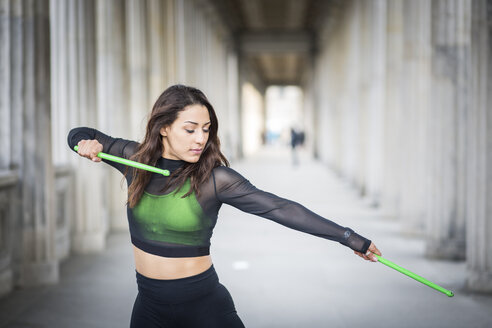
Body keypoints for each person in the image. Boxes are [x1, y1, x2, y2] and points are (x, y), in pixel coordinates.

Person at [67, 85, 381, 328]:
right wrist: (85, 144)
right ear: (164, 127)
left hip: (204, 307)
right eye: (190, 129)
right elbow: (80, 134)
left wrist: (349, 237)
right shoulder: (133, 160)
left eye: (206, 129)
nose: (200, 138)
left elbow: (280, 208)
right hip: (149, 307)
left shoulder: (214, 179)